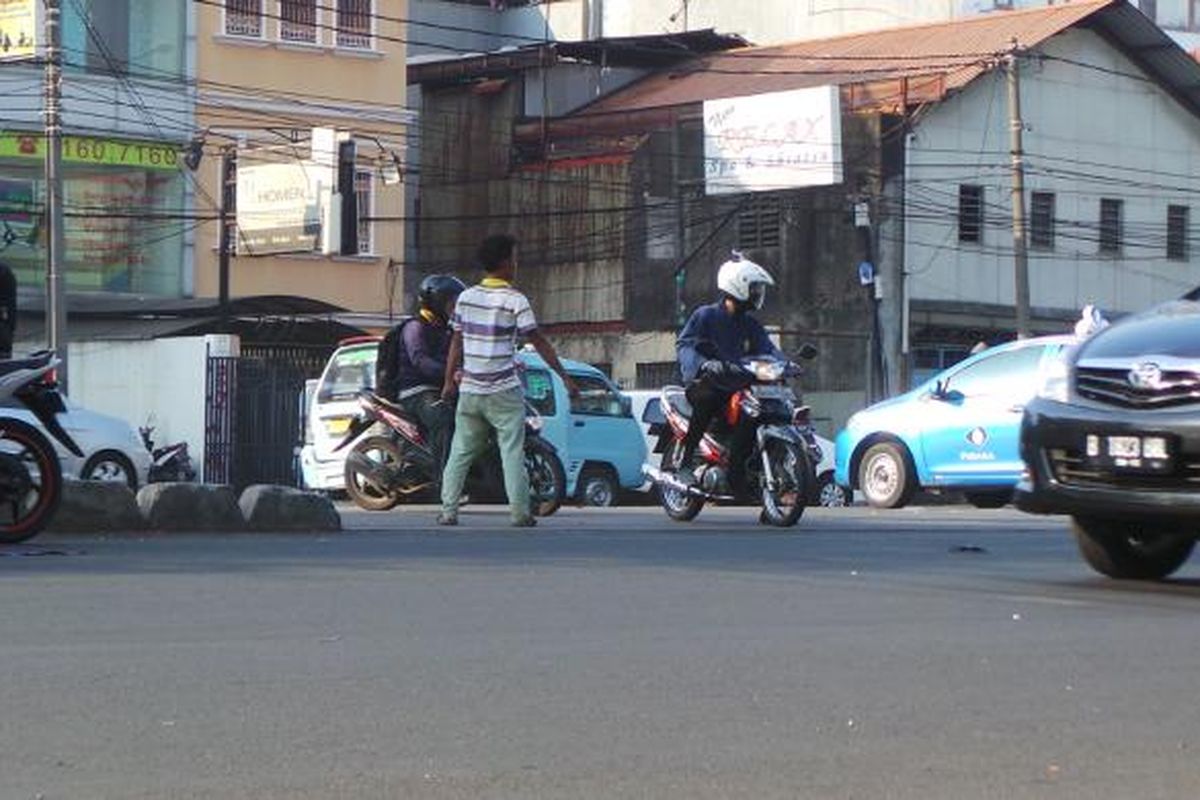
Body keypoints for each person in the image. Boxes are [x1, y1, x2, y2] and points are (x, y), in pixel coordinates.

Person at [437, 234, 578, 528]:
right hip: (504, 390)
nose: (517, 263)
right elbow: (537, 341)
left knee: (461, 451)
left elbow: (456, 343)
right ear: (504, 263)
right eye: (514, 257)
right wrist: (564, 377)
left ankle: (448, 511)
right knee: (512, 451)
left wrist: (449, 381)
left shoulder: (466, 298)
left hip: (471, 390)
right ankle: (520, 513)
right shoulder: (515, 300)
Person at [674, 254, 785, 483]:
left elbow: (768, 349)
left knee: (769, 408)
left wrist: (785, 363)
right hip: (709, 382)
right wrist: (703, 363)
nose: (757, 293)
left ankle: (749, 473)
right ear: (738, 285)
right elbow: (685, 345)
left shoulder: (750, 324)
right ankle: (685, 462)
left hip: (739, 386)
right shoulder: (706, 315)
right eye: (753, 288)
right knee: (706, 399)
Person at [390, 274, 465, 475]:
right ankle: (444, 478)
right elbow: (421, 361)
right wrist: (451, 374)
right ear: (438, 302)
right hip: (417, 391)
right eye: (452, 303)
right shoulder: (415, 327)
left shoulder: (448, 330)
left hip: (443, 387)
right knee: (444, 419)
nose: (455, 308)